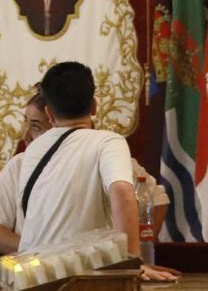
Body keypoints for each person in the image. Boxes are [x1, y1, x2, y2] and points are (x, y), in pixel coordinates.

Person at [0, 63, 175, 282]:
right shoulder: (108, 142)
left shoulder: (33, 150)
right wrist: (132, 264)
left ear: (49, 113)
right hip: (83, 278)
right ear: (94, 106)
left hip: (34, 278)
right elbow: (122, 191)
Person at [17, 93, 166, 240]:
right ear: (94, 107)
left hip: (84, 253)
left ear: (51, 117)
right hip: (46, 254)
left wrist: (139, 245)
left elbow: (153, 198)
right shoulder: (23, 161)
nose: (26, 135)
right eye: (26, 123)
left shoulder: (105, 150)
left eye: (36, 126)